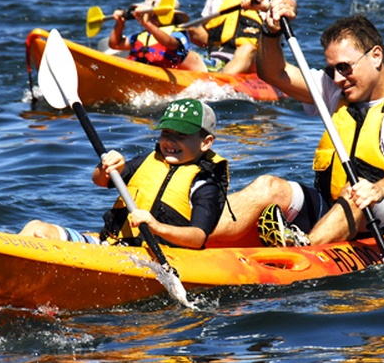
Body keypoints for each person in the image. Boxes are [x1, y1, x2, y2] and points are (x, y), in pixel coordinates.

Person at [207, 0, 384, 248]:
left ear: (376, 56)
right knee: (268, 187)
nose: (337, 78)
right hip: (333, 207)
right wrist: (270, 31)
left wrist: (378, 189)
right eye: (332, 68)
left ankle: (305, 249)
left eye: (344, 67)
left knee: (355, 192)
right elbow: (273, 73)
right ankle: (196, 235)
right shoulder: (336, 89)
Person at [20, 99, 230, 250]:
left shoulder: (205, 183)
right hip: (112, 245)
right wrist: (109, 167)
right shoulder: (149, 161)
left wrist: (157, 227)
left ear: (206, 142)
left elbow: (197, 237)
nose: (170, 142)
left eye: (181, 136)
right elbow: (99, 181)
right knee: (36, 228)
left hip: (157, 258)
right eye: (166, 133)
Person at [107, 0, 207, 72]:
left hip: (163, 74)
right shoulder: (142, 36)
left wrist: (148, 24)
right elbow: (115, 45)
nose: (150, 17)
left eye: (153, 14)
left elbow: (170, 44)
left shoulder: (178, 33)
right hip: (138, 71)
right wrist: (119, 24)